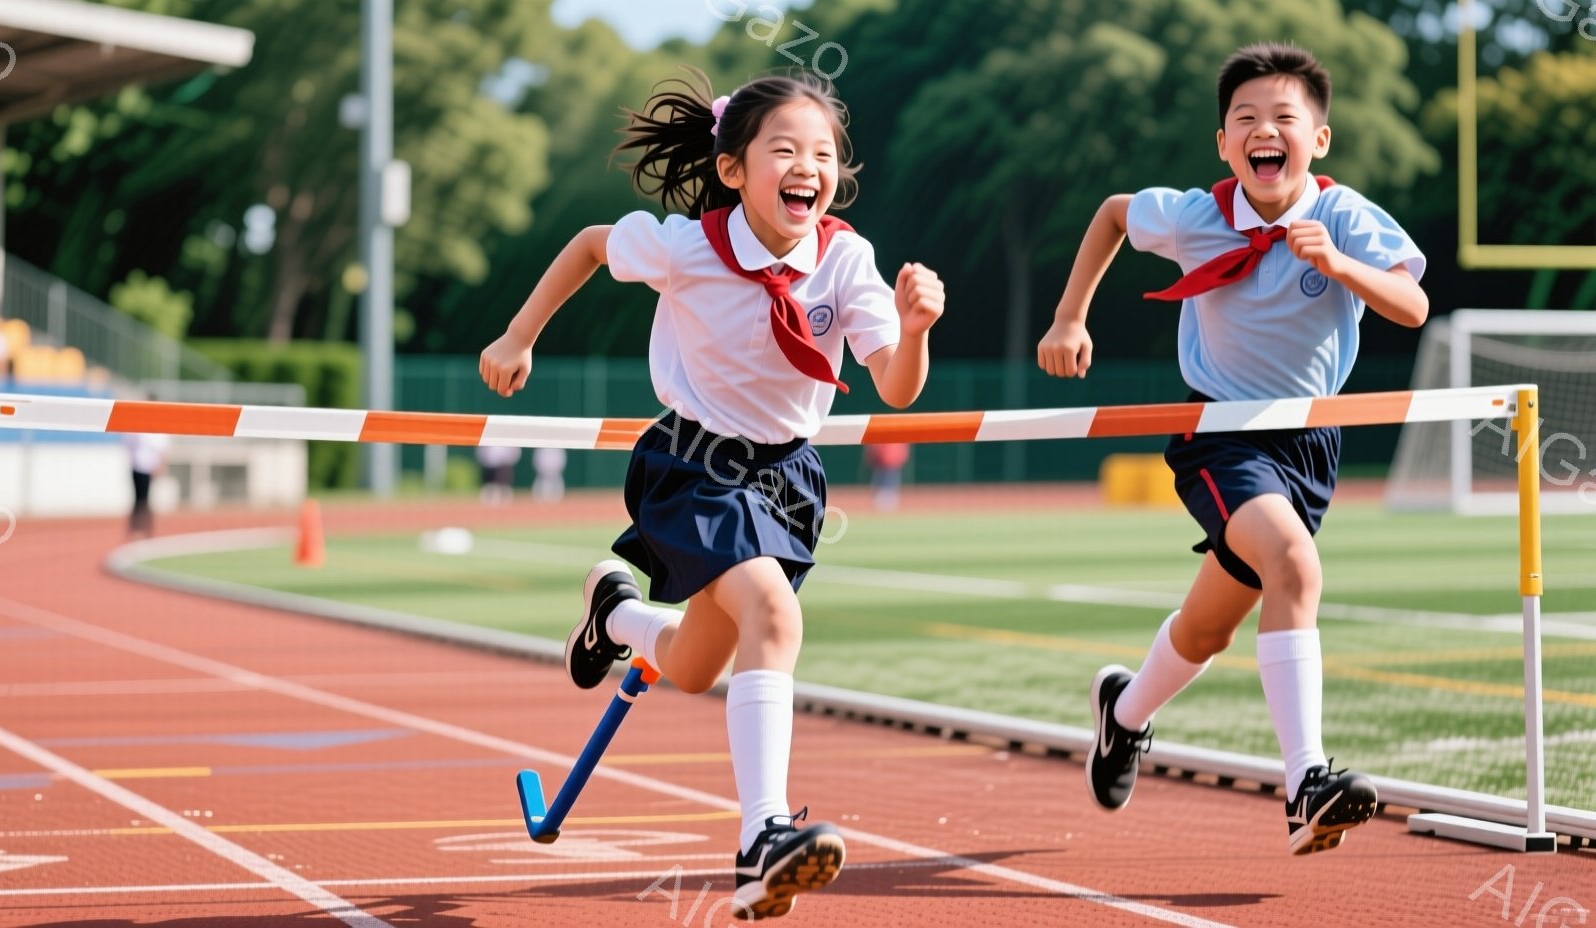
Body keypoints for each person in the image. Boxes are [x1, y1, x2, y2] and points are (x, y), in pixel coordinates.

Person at [479, 68, 945, 918]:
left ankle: (614, 614)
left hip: (788, 479)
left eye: (823, 153)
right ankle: (761, 837)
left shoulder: (846, 258)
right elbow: (589, 243)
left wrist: (912, 332)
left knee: (695, 666)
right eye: (785, 150)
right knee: (773, 614)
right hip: (692, 466)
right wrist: (519, 336)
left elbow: (898, 388)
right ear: (733, 169)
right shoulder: (689, 245)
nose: (809, 165)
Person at [1036, 43, 1427, 856]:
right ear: (1224, 145)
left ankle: (1125, 713)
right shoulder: (1195, 215)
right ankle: (1307, 784)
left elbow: (1413, 306)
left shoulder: (1345, 213)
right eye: (1245, 119)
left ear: (1318, 140)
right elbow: (1113, 212)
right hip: (1218, 432)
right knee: (1293, 565)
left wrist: (1341, 263)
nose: (1264, 131)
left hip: (1310, 440)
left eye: (1284, 118)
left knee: (1210, 626)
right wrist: (1071, 317)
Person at [122, 431, 169, 538]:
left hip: (147, 467)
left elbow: (163, 450)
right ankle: (137, 528)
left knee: (144, 499)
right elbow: (127, 444)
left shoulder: (155, 433)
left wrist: (160, 465)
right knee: (139, 499)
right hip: (136, 467)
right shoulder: (135, 432)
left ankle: (144, 528)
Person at [863, 443, 909, 511]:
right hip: (882, 463)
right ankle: (882, 503)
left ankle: (887, 503)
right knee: (881, 484)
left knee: (890, 484)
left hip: (891, 463)